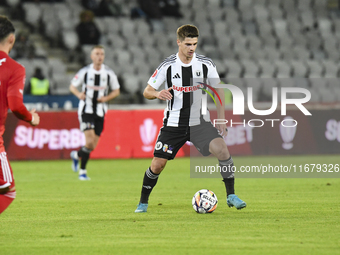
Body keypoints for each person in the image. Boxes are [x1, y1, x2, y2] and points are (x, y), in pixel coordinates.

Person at [135, 24, 246, 213]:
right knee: (158, 164)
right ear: (178, 42)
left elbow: (218, 92)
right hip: (173, 124)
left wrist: (220, 120)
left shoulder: (205, 64)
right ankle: (143, 202)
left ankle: (231, 195)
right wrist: (157, 94)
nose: (192, 48)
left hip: (200, 123)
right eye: (188, 44)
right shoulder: (167, 66)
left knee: (222, 150)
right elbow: (147, 91)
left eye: (194, 44)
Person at [0, 15, 40, 214]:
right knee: (7, 191)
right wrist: (31, 118)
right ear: (12, 39)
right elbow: (15, 105)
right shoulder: (14, 69)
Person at [69, 45, 120, 180]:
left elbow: (116, 90)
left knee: (92, 146)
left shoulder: (109, 73)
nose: (99, 56)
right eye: (96, 54)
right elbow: (72, 86)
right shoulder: (85, 72)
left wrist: (106, 98)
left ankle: (76, 154)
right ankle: (82, 172)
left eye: (101, 54)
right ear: (92, 56)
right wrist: (79, 94)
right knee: (90, 142)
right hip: (86, 110)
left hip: (100, 111)